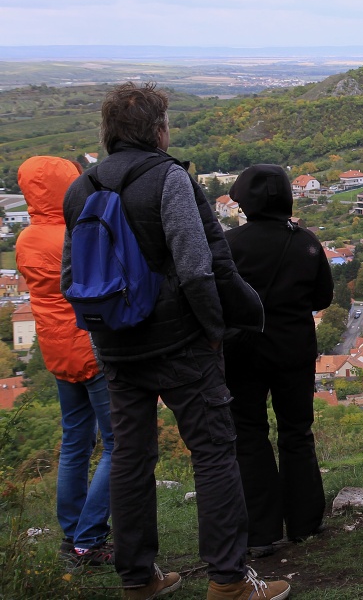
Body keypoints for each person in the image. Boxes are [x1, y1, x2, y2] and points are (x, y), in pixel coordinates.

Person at [60, 83, 289, 600]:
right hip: (181, 344)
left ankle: (138, 579)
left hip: (116, 345)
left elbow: (69, 276)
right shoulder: (167, 178)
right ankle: (228, 581)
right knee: (212, 453)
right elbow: (196, 267)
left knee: (130, 458)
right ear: (159, 130)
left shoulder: (80, 188)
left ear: (108, 131)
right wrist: (213, 331)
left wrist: (101, 337)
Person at [224, 164, 334, 556]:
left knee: (249, 436)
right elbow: (322, 298)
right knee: (296, 432)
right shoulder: (305, 242)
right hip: (294, 350)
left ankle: (261, 531)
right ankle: (306, 520)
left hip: (244, 353)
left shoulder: (229, 244)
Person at [15, 156, 115, 568]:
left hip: (55, 351)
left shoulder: (24, 240)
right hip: (89, 345)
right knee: (119, 444)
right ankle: (88, 541)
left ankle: (71, 533)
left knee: (75, 443)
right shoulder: (78, 233)